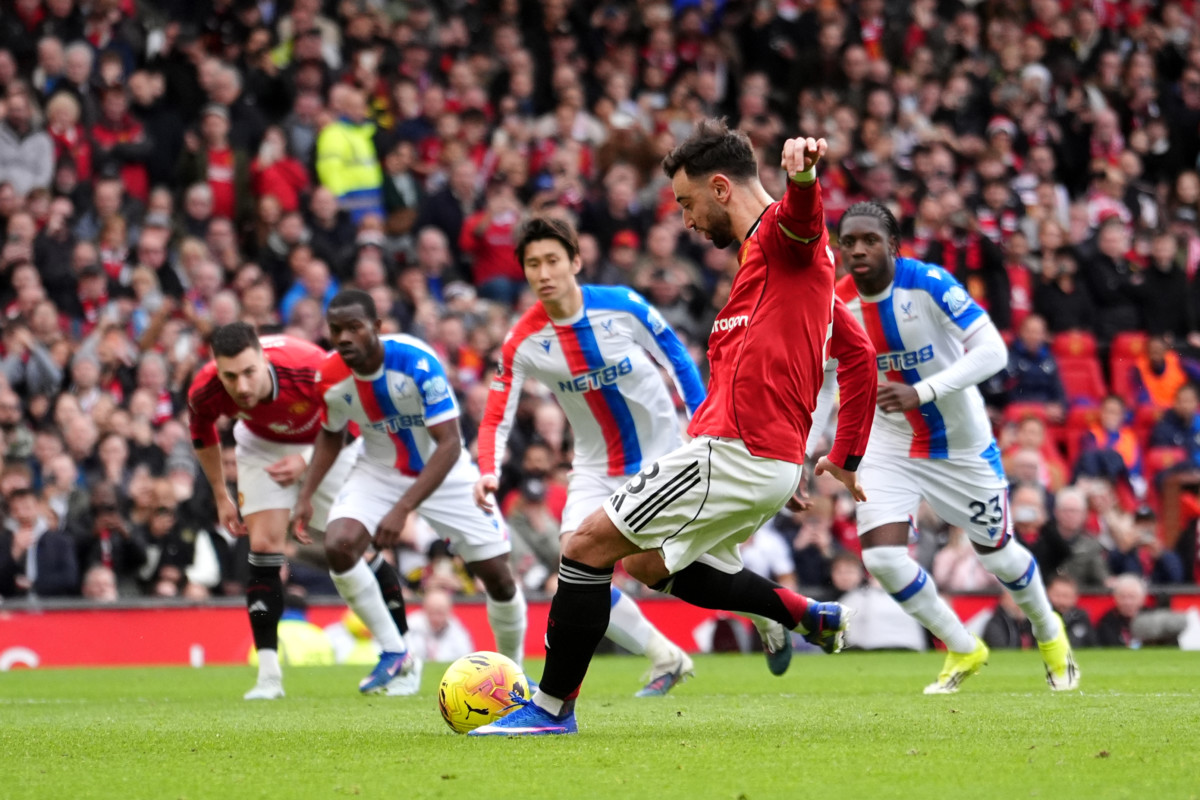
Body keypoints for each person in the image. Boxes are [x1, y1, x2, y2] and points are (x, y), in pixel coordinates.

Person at [470, 122, 877, 736]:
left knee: (582, 549)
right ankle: (803, 616)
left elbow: (800, 218)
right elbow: (859, 355)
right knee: (651, 568)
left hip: (733, 452)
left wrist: (802, 178)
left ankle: (551, 710)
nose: (685, 220)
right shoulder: (787, 273)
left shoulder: (782, 238)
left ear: (720, 187)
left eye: (686, 203)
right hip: (758, 459)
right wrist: (844, 453)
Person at [825, 201, 1079, 693]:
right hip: (888, 443)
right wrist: (813, 447)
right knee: (881, 558)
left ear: (893, 246)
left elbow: (993, 351)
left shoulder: (929, 284)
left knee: (999, 557)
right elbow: (823, 378)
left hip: (959, 444)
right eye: (848, 240)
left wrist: (922, 392)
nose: (857, 249)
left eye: (869, 240)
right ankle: (962, 646)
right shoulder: (838, 304)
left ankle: (1049, 630)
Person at [474, 215, 706, 697]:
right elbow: (497, 412)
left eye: (553, 260)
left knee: (674, 565)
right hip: (596, 467)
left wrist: (704, 423)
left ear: (576, 261)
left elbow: (677, 359)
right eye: (533, 263)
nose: (544, 272)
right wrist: (488, 472)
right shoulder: (522, 341)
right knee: (575, 568)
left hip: (661, 455)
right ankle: (666, 655)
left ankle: (771, 617)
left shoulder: (622, 307)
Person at [291, 289, 527, 693]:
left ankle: (513, 675)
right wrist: (306, 494)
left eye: (354, 328)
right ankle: (395, 651)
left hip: (445, 471)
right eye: (336, 330)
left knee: (499, 578)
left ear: (377, 329)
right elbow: (331, 435)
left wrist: (402, 510)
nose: (344, 338)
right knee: (339, 543)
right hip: (379, 469)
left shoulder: (417, 362)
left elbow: (450, 443)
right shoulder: (329, 378)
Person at [188, 323, 411, 700]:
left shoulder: (310, 368)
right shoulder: (205, 389)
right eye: (230, 376)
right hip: (260, 446)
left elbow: (350, 426)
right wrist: (220, 495)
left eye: (248, 373)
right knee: (263, 545)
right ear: (216, 368)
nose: (241, 386)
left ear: (263, 358)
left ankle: (405, 656)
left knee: (352, 547)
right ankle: (269, 677)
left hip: (328, 444)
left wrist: (306, 462)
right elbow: (203, 432)